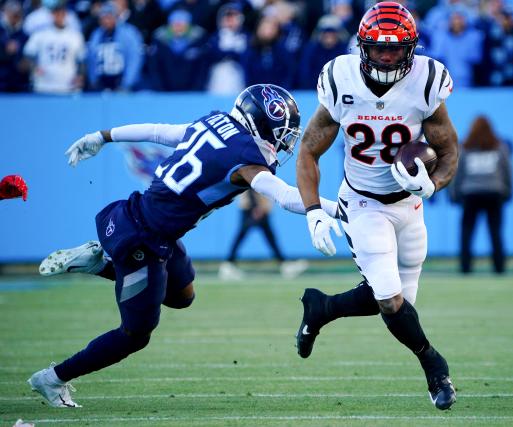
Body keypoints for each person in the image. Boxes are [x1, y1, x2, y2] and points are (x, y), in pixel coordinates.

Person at [29, 83, 338, 408]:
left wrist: (103, 135)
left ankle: (99, 263)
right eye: (281, 133)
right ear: (260, 124)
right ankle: (52, 378)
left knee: (183, 296)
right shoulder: (246, 159)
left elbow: (158, 131)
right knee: (135, 334)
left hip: (152, 227)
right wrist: (341, 209)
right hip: (142, 241)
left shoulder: (216, 122)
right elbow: (287, 197)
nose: (283, 142)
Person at [294, 2, 458, 411]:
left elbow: (448, 148)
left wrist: (432, 185)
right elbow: (309, 152)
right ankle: (435, 367)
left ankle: (322, 307)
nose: (387, 56)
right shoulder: (340, 77)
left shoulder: (427, 81)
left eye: (396, 48)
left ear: (412, 47)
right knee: (389, 300)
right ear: (362, 46)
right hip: (363, 204)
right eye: (378, 48)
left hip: (409, 207)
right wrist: (314, 210)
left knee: (398, 303)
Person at [449, 116, 512, 274]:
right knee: (495, 231)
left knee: (467, 232)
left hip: (471, 194)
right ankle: (499, 267)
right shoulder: (499, 146)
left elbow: (457, 172)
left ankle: (465, 267)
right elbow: (507, 171)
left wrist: (454, 193)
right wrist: (507, 190)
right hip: (494, 192)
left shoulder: (465, 147)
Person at [219, 189, 309, 280]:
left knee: (267, 237)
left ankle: (284, 264)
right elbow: (250, 183)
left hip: (257, 207)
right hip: (254, 208)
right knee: (246, 235)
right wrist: (256, 206)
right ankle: (228, 265)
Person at [23, 0, 85, 94]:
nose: (59, 16)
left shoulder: (75, 36)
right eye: (56, 13)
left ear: (65, 15)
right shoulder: (41, 34)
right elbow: (28, 53)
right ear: (52, 15)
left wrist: (80, 75)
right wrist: (34, 67)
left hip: (68, 84)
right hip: (44, 84)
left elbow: (82, 59)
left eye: (61, 13)